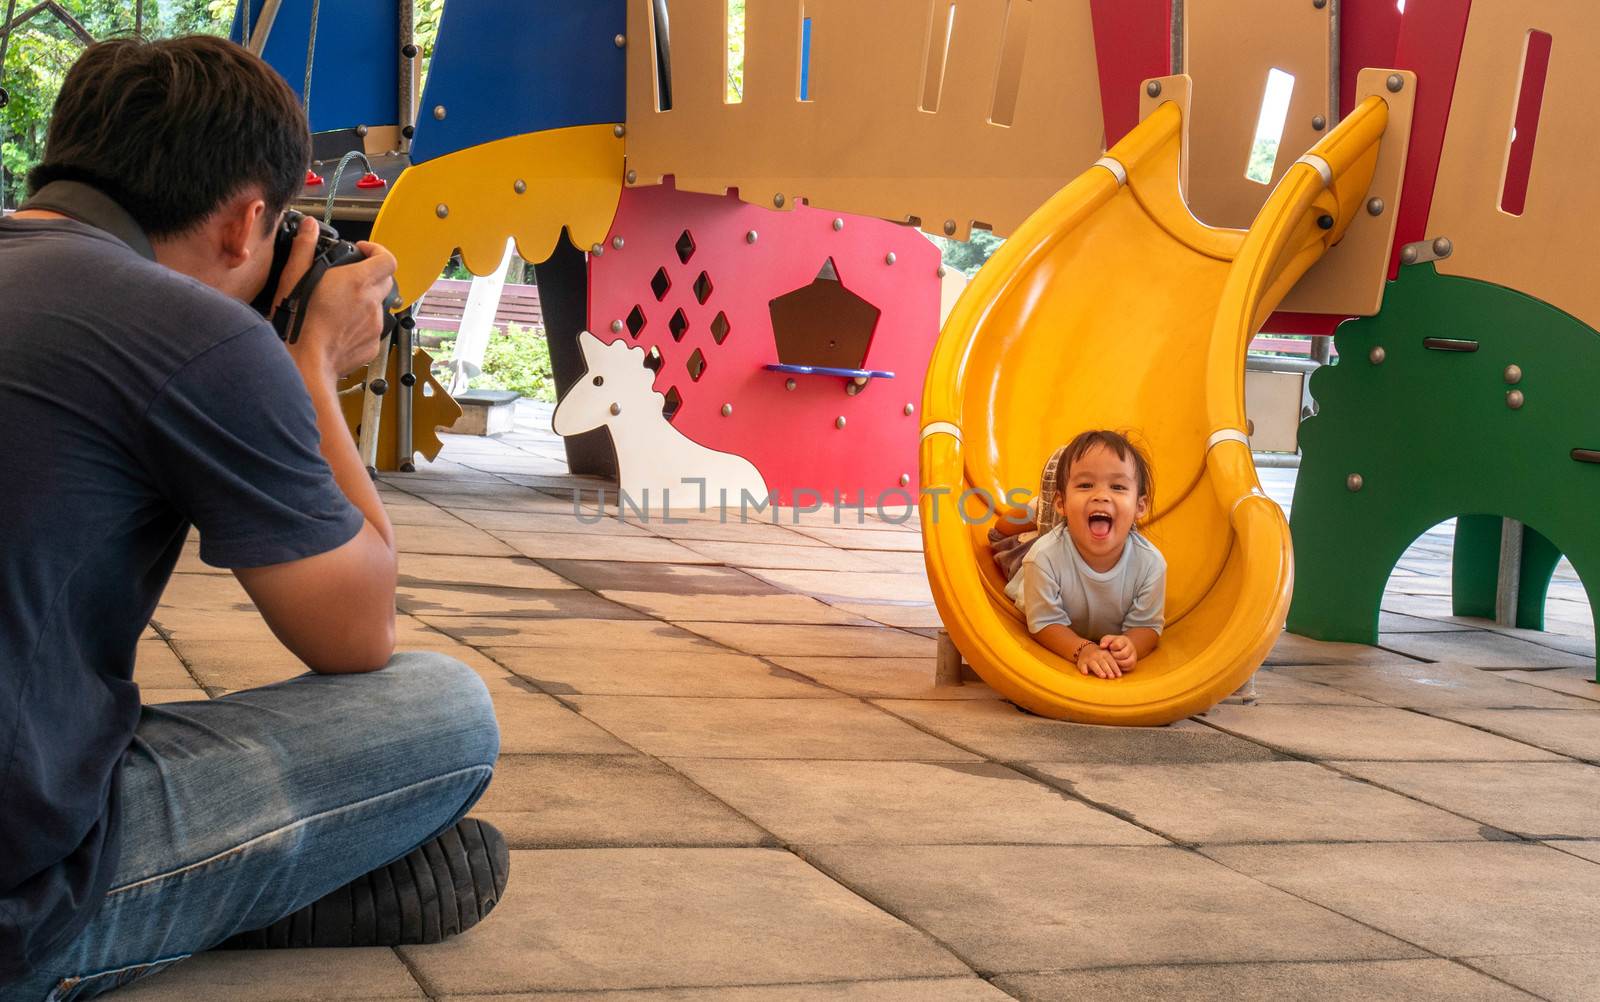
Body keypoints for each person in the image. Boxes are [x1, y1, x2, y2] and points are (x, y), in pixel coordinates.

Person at [0, 36, 506, 1000]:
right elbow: (356, 632)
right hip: (18, 898)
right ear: (246, 225)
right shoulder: (193, 332)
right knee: (441, 709)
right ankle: (228, 892)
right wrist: (304, 359)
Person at [999, 430, 1165, 679]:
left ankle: (1044, 512)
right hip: (1027, 564)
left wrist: (1132, 646)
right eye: (1085, 485)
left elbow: (1147, 627)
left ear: (1140, 507)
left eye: (1118, 487)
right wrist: (1082, 649)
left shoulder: (1150, 564)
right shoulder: (1042, 558)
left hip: (1072, 525)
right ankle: (1037, 511)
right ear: (1061, 503)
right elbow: (1044, 623)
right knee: (1005, 537)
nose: (1101, 495)